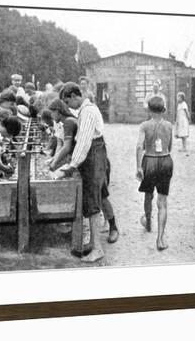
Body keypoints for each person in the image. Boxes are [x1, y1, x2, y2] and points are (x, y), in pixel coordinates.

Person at [58, 82, 113, 262]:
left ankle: (98, 249)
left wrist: (72, 165)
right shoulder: (86, 109)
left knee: (92, 202)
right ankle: (92, 242)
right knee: (93, 200)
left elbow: (84, 141)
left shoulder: (88, 112)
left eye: (68, 102)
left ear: (75, 96)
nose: (68, 106)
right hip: (95, 154)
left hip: (93, 156)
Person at [136, 96, 174, 251]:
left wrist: (138, 167)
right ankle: (160, 239)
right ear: (163, 109)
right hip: (165, 160)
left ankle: (149, 223)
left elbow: (139, 146)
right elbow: (170, 147)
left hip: (150, 160)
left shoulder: (144, 125)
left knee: (148, 194)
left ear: (149, 109)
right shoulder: (169, 125)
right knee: (162, 202)